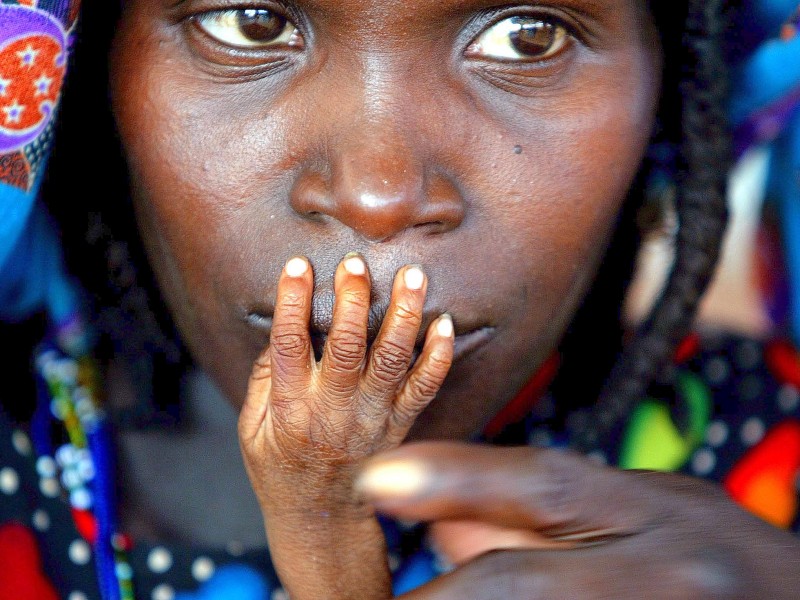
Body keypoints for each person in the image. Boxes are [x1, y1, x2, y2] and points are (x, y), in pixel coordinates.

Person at [2, 0, 800, 598]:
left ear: (669, 93)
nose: (377, 195)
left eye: (528, 35)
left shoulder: (773, 476)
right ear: (86, 71)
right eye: (250, 23)